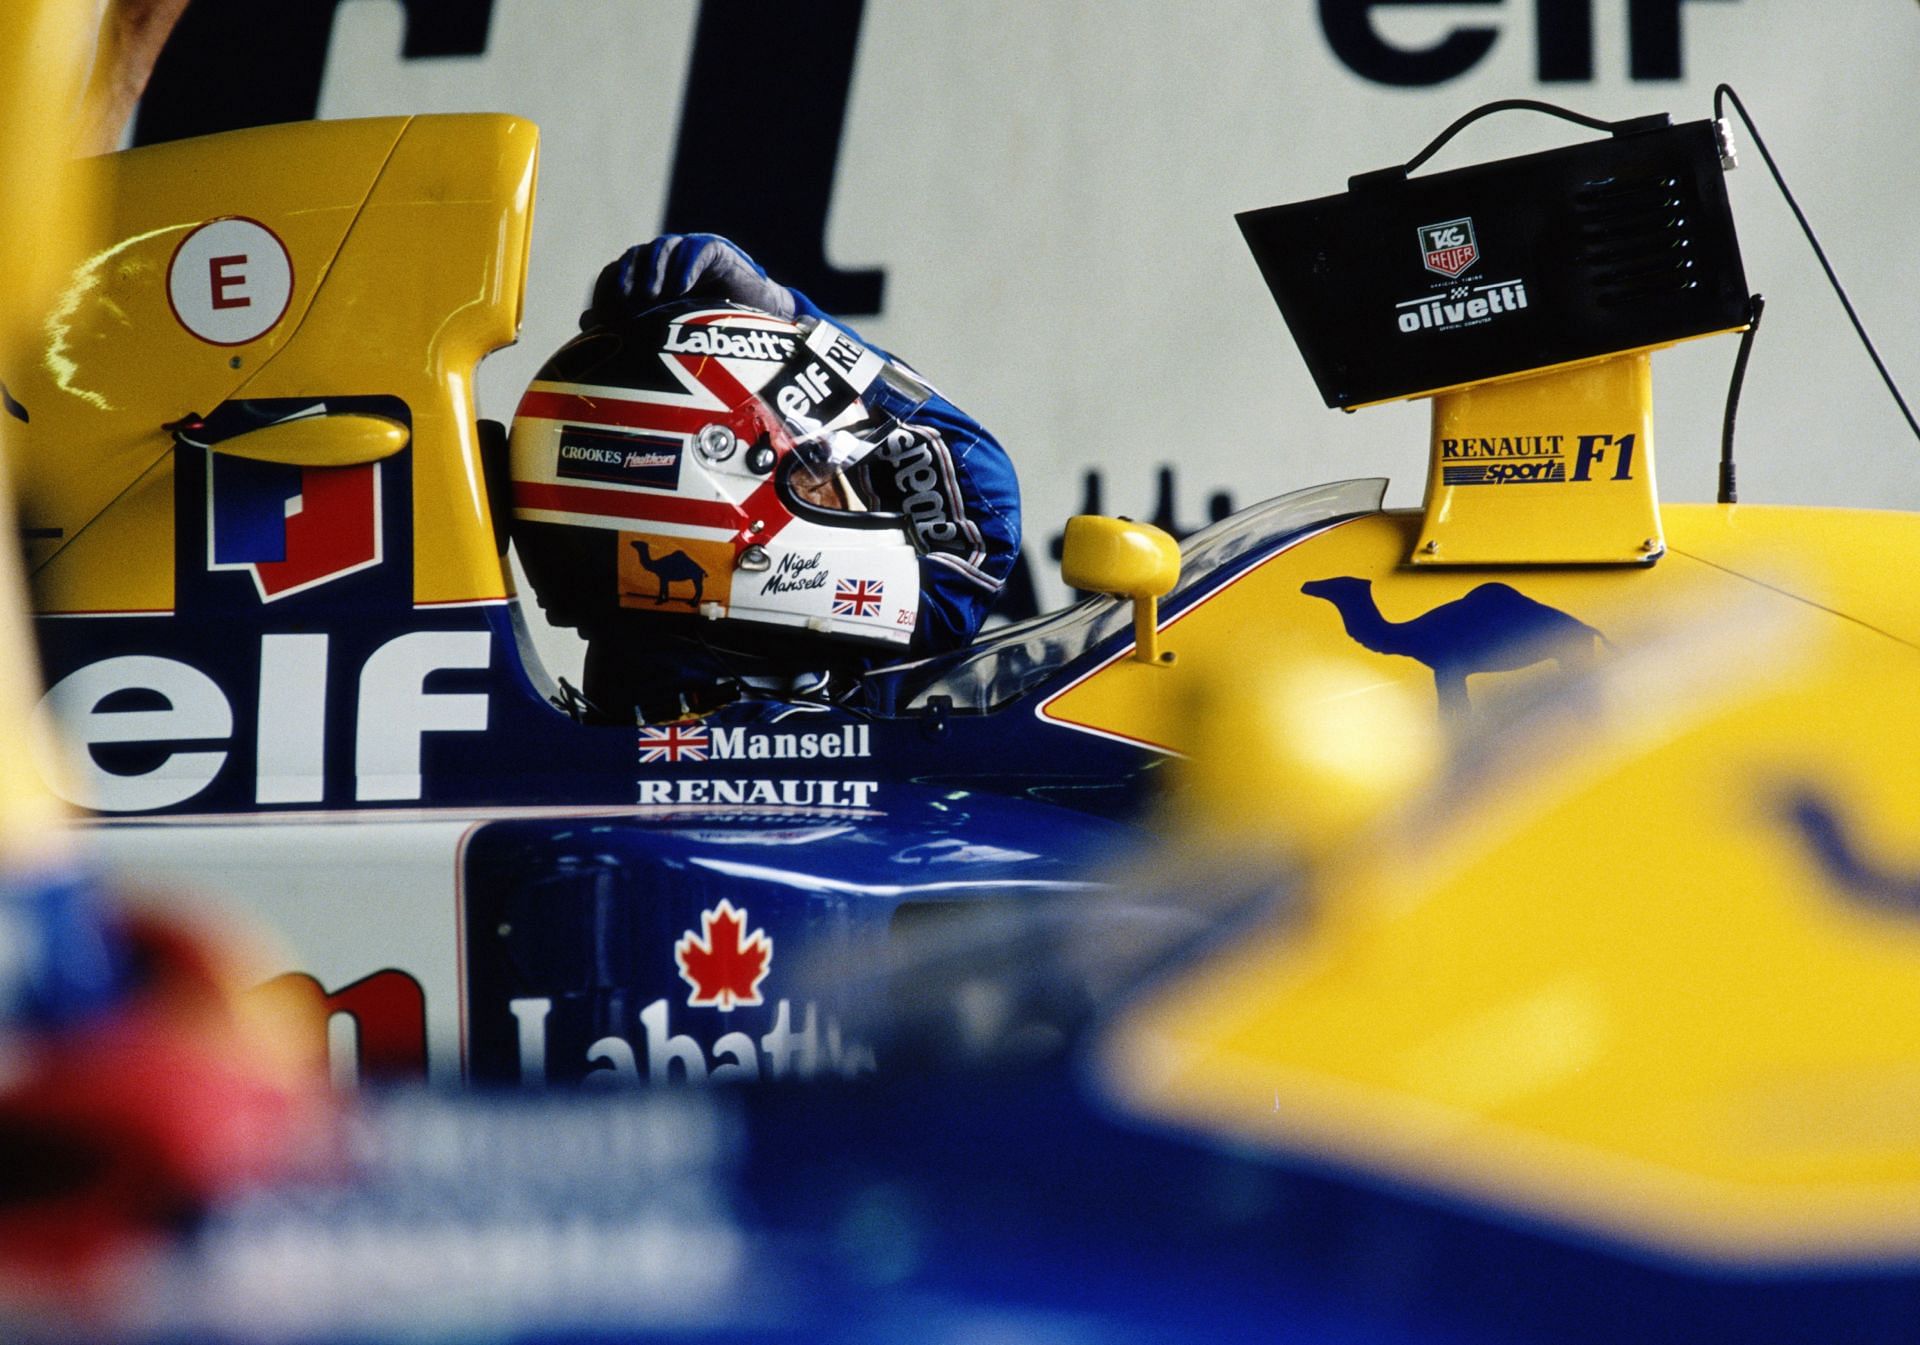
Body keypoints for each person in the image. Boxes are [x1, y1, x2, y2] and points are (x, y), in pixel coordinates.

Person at [510, 234, 1020, 722]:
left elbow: (975, 540)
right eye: (819, 477)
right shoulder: (788, 731)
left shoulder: (777, 666)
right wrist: (802, 321)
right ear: (708, 496)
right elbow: (985, 522)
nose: (854, 502)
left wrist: (795, 325)